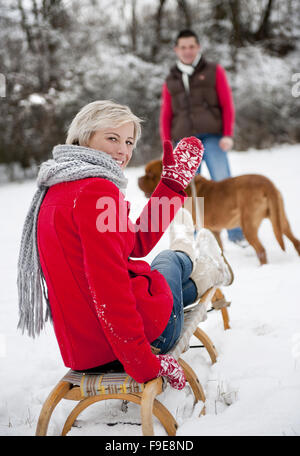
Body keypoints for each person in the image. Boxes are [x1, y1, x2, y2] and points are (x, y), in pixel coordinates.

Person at [17, 100, 233, 391]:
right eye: (112, 138)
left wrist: (170, 186)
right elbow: (109, 288)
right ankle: (208, 268)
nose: (123, 151)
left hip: (86, 350)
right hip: (139, 342)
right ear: (84, 136)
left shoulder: (57, 186)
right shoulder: (96, 189)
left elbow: (133, 242)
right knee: (169, 260)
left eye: (129, 141)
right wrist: (144, 363)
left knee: (167, 264)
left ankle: (203, 266)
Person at [160, 29, 246, 246]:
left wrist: (227, 134)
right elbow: (167, 113)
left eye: (191, 46)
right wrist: (167, 145)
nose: (187, 51)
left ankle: (236, 233)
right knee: (189, 190)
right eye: (183, 47)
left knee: (223, 182)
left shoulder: (213, 71)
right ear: (176, 49)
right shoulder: (171, 78)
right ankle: (193, 236)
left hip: (213, 137)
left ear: (198, 47)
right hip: (184, 141)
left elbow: (227, 103)